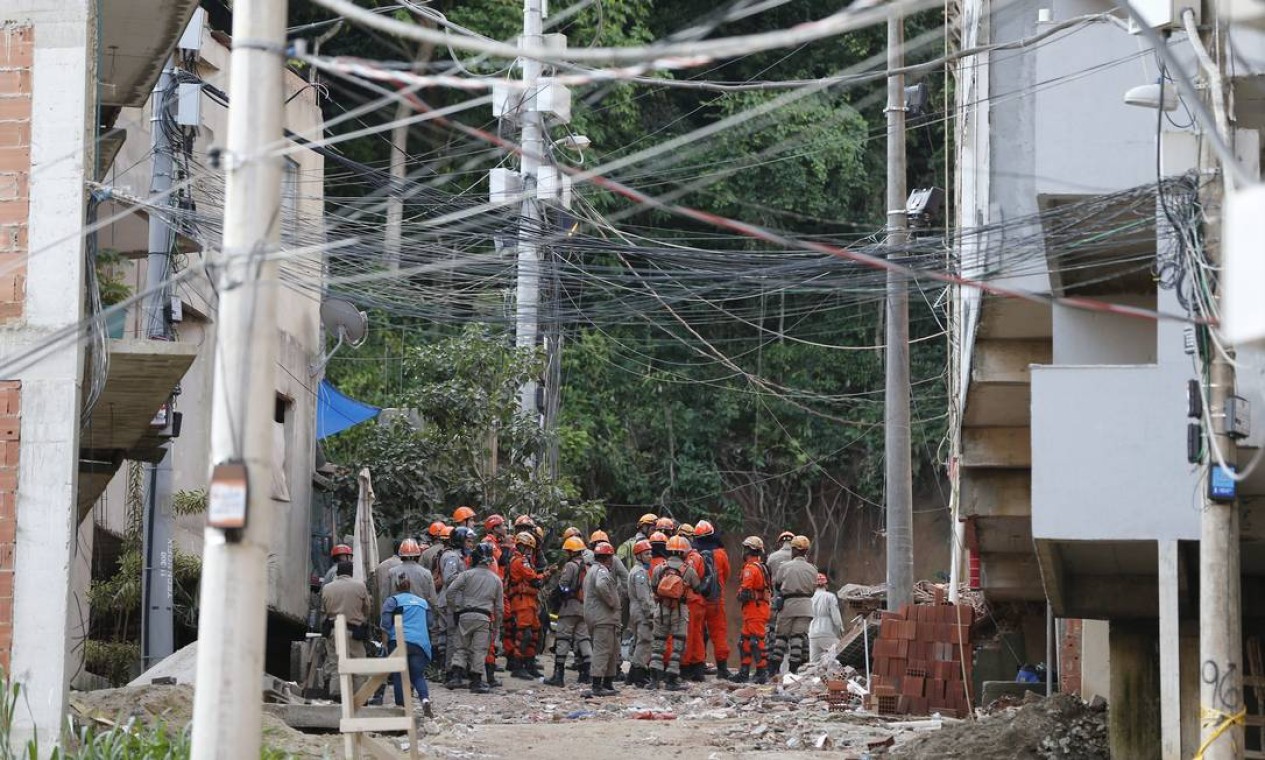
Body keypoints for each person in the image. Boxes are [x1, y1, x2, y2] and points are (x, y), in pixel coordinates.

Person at [442, 542, 503, 693]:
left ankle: (456, 677)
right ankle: (476, 682)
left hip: (465, 614)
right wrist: (497, 627)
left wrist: (455, 608)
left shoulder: (466, 575)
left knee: (461, 646)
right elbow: (499, 608)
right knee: (479, 649)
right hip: (484, 617)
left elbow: (450, 591)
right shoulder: (496, 580)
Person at [649, 535, 699, 691]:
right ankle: (672, 680)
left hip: (661, 609)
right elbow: (697, 587)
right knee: (678, 645)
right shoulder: (688, 570)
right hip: (679, 610)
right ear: (684, 552)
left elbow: (654, 586)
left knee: (658, 644)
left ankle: (654, 680)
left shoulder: (659, 568)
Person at [380, 574, 434, 718]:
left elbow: (385, 625)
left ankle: (401, 707)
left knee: (399, 674)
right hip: (420, 643)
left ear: (396, 586)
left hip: (399, 641)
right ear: (410, 586)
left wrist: (384, 644)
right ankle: (425, 699)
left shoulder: (392, 601)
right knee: (417, 675)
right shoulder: (423, 603)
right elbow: (430, 623)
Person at [320, 559, 371, 699]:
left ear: (337, 573)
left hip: (333, 631)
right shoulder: (360, 587)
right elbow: (367, 609)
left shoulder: (327, 588)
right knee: (358, 665)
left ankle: (337, 697)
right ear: (351, 573)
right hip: (354, 632)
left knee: (336, 665)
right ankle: (359, 698)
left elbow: (323, 610)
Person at [546, 536, 591, 686]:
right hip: (583, 608)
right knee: (583, 639)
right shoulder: (587, 567)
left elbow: (564, 585)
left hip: (569, 608)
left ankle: (558, 676)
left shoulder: (570, 566)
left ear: (572, 551)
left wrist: (556, 595)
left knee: (563, 639)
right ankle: (586, 674)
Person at [769, 535, 818, 675]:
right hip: (806, 606)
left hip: (788, 605)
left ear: (795, 550)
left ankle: (774, 669)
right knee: (798, 637)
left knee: (781, 637)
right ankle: (793, 670)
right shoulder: (813, 569)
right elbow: (813, 590)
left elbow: (777, 585)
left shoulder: (785, 567)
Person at [693, 520, 732, 680]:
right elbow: (727, 574)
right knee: (719, 634)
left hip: (698, 600)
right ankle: (722, 669)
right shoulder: (721, 554)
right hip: (716, 600)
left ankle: (698, 669)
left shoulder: (694, 554)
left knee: (698, 633)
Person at [583, 541, 622, 697]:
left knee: (612, 650)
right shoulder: (601, 571)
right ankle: (597, 685)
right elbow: (601, 586)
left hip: (601, 617)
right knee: (603, 650)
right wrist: (612, 601)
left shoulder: (591, 570)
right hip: (603, 617)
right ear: (608, 558)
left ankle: (607, 682)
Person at [508, 531, 548, 679]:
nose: (530, 552)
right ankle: (518, 666)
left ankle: (529, 664)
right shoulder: (519, 561)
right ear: (522, 546)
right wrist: (547, 574)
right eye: (529, 548)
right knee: (524, 634)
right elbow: (534, 579)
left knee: (534, 633)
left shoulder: (523, 560)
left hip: (529, 601)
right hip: (522, 601)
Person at [732, 536, 771, 684]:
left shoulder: (750, 568)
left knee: (756, 641)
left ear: (748, 550)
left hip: (755, 609)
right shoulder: (762, 566)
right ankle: (744, 672)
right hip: (755, 609)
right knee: (745, 641)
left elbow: (745, 591)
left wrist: (739, 595)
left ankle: (762, 672)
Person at [677, 524, 708, 681]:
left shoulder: (692, 559)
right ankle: (697, 668)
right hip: (695, 600)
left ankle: (688, 667)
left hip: (692, 601)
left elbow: (687, 578)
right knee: (695, 635)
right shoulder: (694, 557)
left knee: (690, 635)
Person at [626, 539, 656, 687]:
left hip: (636, 610)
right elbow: (644, 597)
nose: (650, 556)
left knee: (640, 640)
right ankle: (639, 674)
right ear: (638, 556)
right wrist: (651, 614)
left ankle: (632, 675)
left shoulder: (636, 571)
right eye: (646, 554)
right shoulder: (640, 573)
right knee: (645, 641)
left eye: (650, 553)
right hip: (641, 611)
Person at [764, 531, 795, 652]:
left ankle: (773, 660)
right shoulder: (800, 557)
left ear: (780, 542)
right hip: (794, 600)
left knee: (773, 629)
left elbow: (766, 576)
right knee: (795, 631)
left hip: (776, 598)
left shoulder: (772, 557)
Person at [809, 573, 843, 663]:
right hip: (827, 632)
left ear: (814, 586)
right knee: (839, 656)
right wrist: (840, 630)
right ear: (826, 585)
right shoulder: (830, 596)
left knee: (814, 663)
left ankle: (813, 677)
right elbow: (836, 618)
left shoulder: (811, 599)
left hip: (813, 634)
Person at [372, 540, 404, 609]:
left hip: (384, 607)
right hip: (400, 606)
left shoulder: (380, 566)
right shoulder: (403, 566)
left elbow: (376, 588)